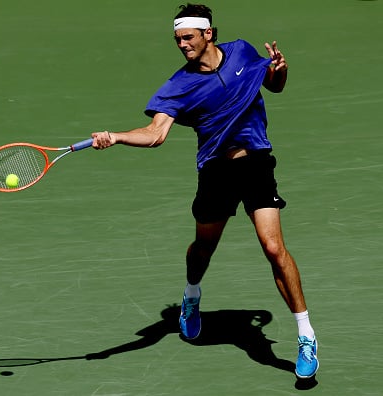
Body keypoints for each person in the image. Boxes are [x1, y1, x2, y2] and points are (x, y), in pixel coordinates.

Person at [91, 3, 319, 379]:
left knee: (274, 248)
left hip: (257, 162)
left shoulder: (243, 51)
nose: (182, 45)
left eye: (188, 37)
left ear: (208, 33)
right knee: (204, 248)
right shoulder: (177, 86)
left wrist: (281, 70)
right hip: (215, 170)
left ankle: (306, 334)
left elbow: (273, 87)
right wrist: (115, 137)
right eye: (177, 39)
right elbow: (155, 134)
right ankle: (192, 295)